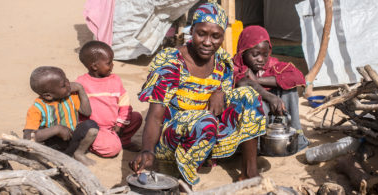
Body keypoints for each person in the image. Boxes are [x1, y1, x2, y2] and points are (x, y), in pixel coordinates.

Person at [129, 2, 266, 185]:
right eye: (201, 33)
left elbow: (226, 94)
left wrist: (220, 92)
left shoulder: (222, 62)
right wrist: (147, 150)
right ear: (192, 30)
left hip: (207, 135)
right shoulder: (171, 62)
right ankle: (181, 180)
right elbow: (155, 116)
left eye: (216, 36)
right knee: (204, 121)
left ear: (222, 36)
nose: (208, 42)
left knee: (248, 95)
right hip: (172, 140)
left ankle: (250, 172)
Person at [233, 25, 309, 152]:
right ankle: (255, 145)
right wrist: (269, 96)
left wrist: (257, 80)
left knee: (289, 89)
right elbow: (241, 82)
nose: (261, 60)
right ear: (243, 51)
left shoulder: (271, 65)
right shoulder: (236, 66)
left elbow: (297, 77)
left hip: (274, 113)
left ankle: (296, 136)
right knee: (249, 97)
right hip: (254, 117)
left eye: (265, 55)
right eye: (255, 55)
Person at [76, 40, 143, 158]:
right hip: (97, 128)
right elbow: (78, 110)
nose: (112, 65)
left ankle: (123, 141)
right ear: (95, 66)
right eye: (109, 63)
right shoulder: (81, 83)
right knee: (112, 150)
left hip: (115, 124)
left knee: (136, 117)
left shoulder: (115, 80)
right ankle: (93, 143)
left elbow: (125, 104)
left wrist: (120, 123)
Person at [22, 66, 99, 165]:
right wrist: (56, 129)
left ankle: (79, 154)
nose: (68, 84)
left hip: (70, 142)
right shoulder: (37, 108)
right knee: (39, 132)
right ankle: (50, 160)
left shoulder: (71, 97)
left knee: (90, 125)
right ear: (48, 95)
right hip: (50, 148)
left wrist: (81, 89)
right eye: (63, 85)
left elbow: (87, 112)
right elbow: (28, 137)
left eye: (67, 80)